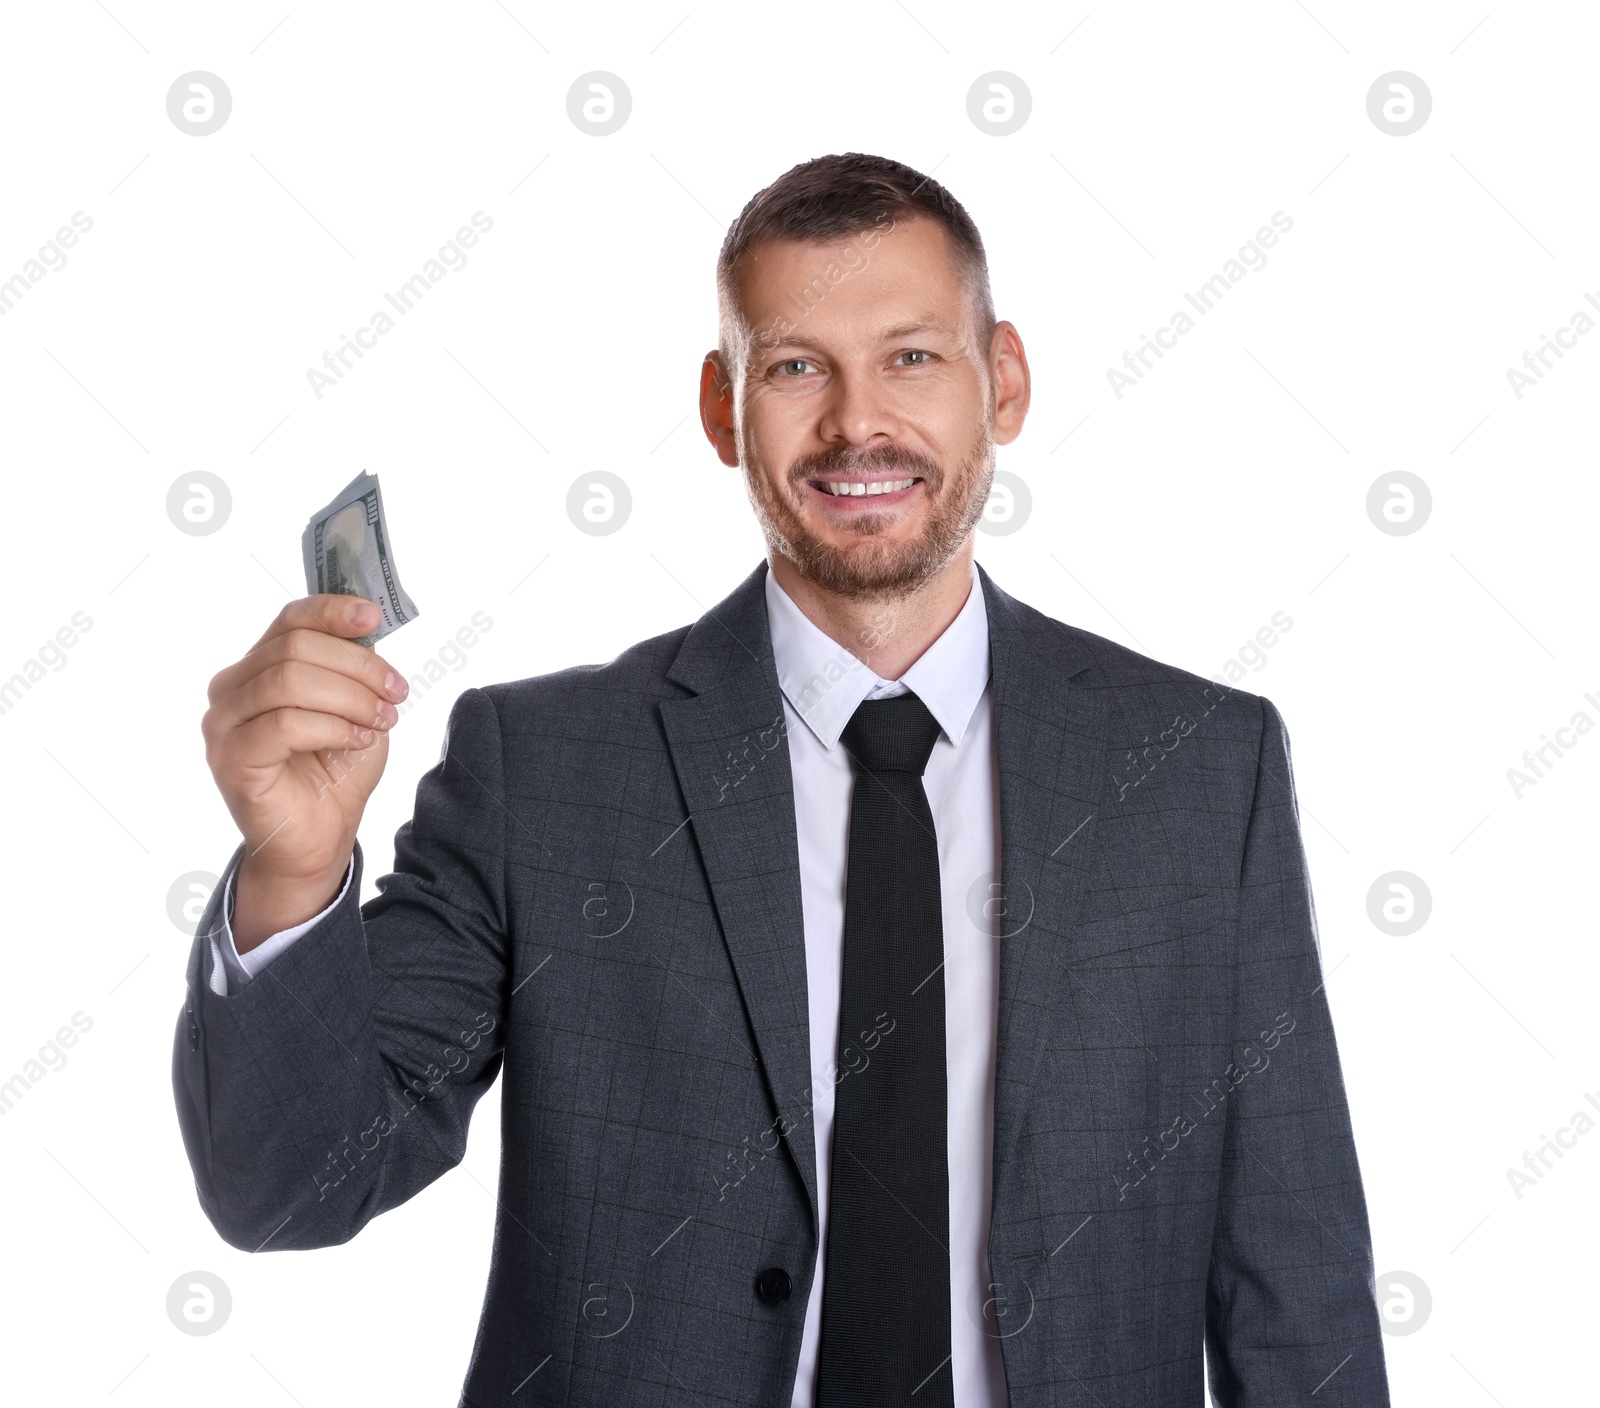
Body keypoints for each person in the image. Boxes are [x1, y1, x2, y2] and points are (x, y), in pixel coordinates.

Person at [175, 152, 1389, 1406]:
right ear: (721, 408)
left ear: (1004, 382)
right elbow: (290, 1187)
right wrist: (295, 866)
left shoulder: (1197, 764)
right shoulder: (542, 769)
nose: (858, 422)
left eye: (912, 355)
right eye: (796, 366)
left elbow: (1292, 1280)